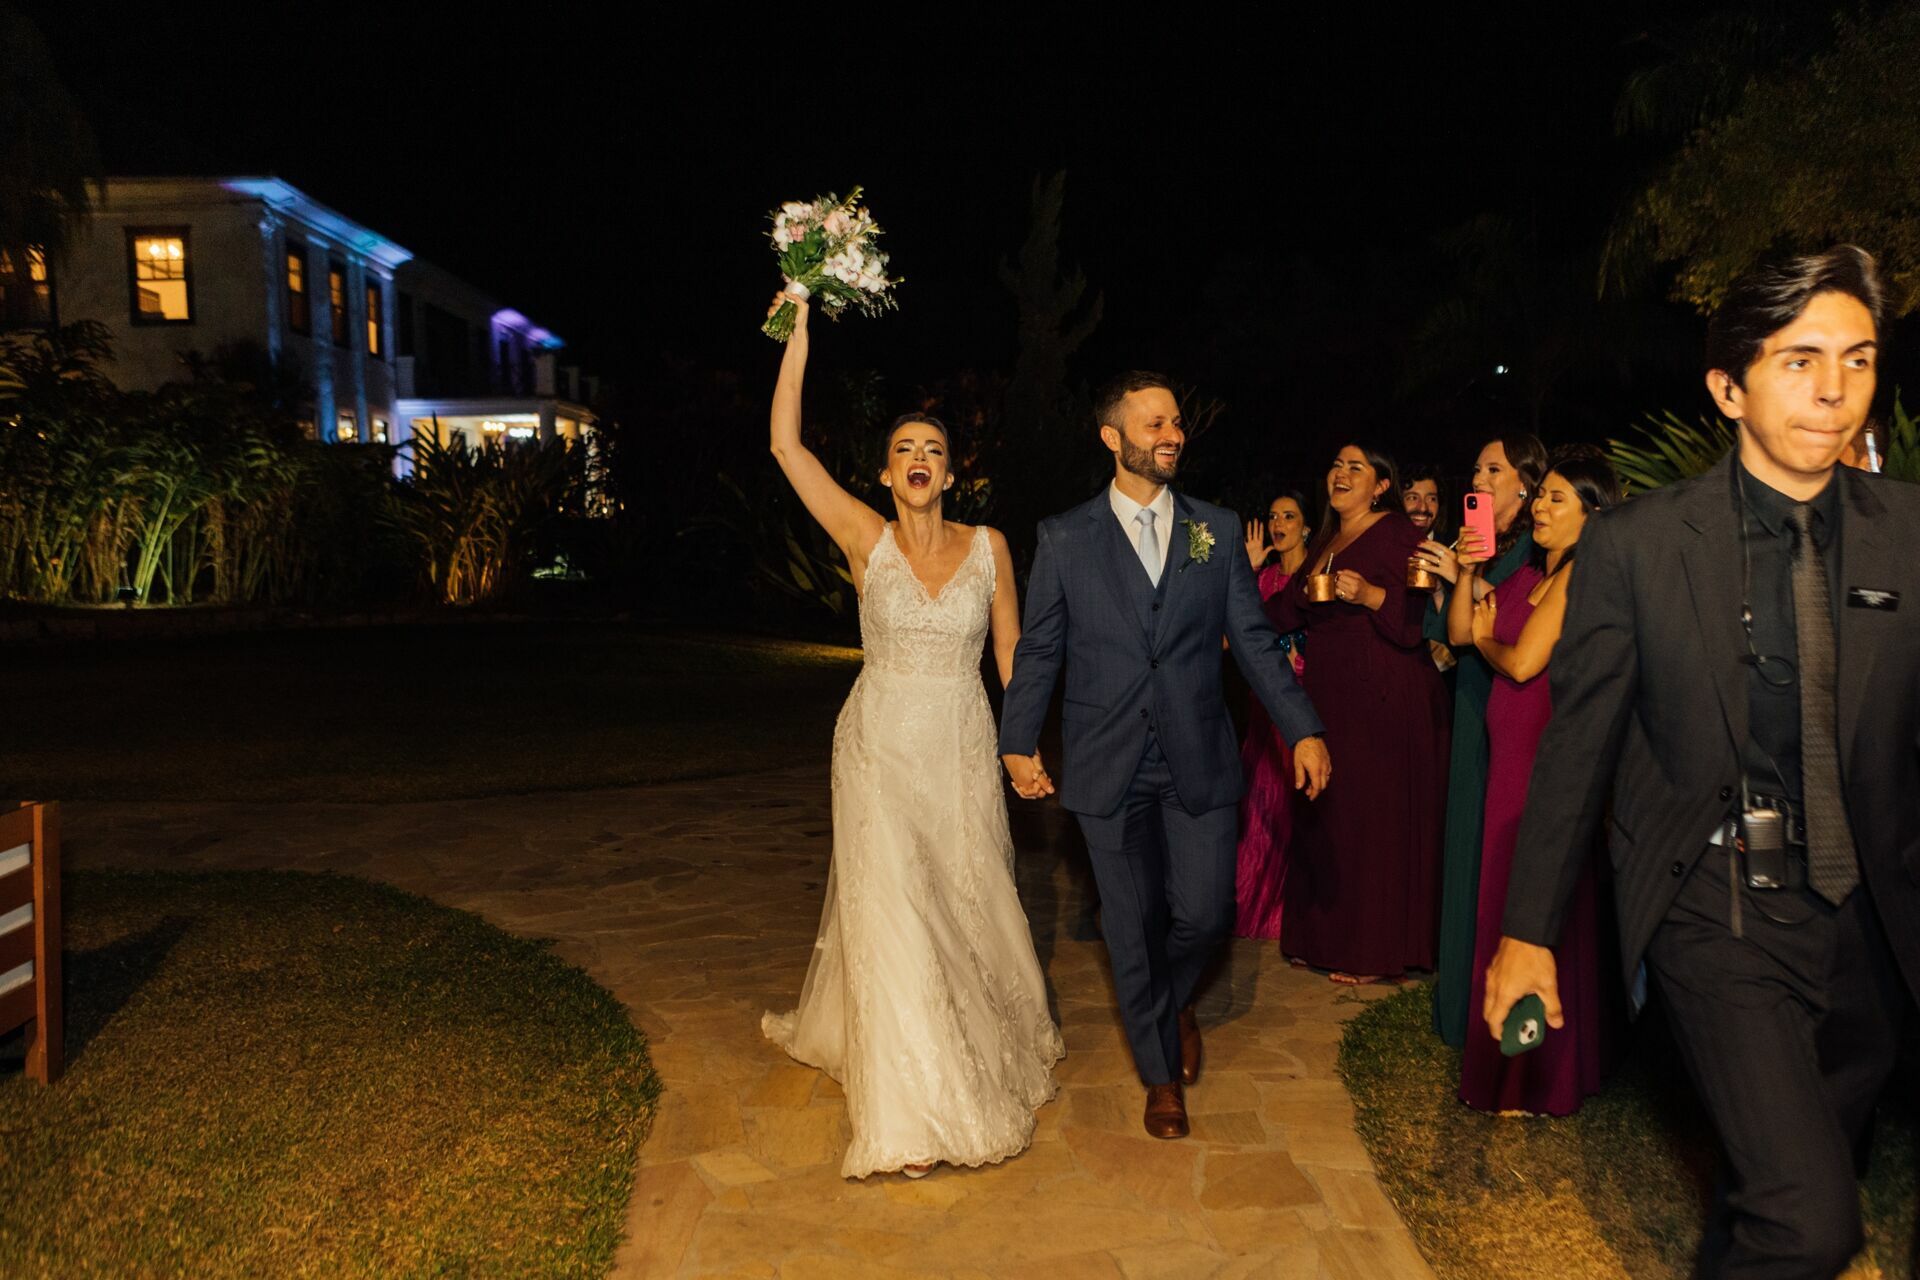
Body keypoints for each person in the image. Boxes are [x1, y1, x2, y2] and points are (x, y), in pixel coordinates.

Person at [1486, 246, 1920, 1276]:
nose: (1835, 390)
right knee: (1814, 1220)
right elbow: (1577, 748)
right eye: (1799, 359)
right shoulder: (1639, 547)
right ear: (1727, 386)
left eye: (1857, 360)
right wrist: (1526, 931)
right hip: (1718, 907)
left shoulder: (1911, 536)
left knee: (1769, 1187)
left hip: (1873, 926)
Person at [758, 292, 1063, 1180]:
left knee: (961, 899)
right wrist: (799, 337)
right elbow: (785, 447)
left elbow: (1010, 655)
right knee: (894, 908)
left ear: (952, 472)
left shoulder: (991, 546)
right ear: (886, 476)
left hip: (963, 743)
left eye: (933, 450)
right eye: (905, 452)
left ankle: (979, 1039)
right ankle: (907, 1112)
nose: (920, 460)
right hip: (879, 745)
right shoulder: (865, 537)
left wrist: (1025, 744)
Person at [999, 372, 1331, 1141]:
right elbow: (1041, 646)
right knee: (1128, 925)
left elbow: (1251, 640)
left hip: (1198, 757)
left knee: (1206, 910)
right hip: (1105, 761)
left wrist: (1302, 726)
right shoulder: (1065, 536)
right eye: (1153, 424)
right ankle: (1160, 1079)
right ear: (1112, 438)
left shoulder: (1213, 531)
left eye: (1176, 421)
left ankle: (1170, 1000)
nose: (1171, 434)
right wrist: (1018, 740)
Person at [1454, 451, 1620, 1115]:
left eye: (1556, 499)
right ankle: (1503, 1062)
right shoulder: (1526, 572)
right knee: (1500, 902)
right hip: (1508, 761)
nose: (1541, 510)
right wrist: (1469, 571)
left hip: (1543, 762)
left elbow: (1520, 664)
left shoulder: (1584, 577)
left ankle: (1534, 1076)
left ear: (1592, 512)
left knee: (1533, 902)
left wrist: (1493, 638)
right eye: (1542, 497)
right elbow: (1465, 630)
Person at [1268, 443, 1449, 983]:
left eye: (1356, 467)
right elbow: (1289, 607)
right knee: (1328, 813)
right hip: (1331, 700)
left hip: (1386, 700)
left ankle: (1372, 952)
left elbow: (1417, 626)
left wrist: (1371, 595)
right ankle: (1321, 938)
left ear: (1379, 486)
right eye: (1336, 465)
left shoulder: (1397, 534)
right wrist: (1231, 624)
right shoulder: (1326, 539)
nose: (1340, 474)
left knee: (1371, 822)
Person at [1412, 434, 1550, 1047]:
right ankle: (1461, 1003)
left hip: (1512, 708)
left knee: (1494, 853)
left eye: (1494, 468)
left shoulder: (1535, 550)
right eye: (1476, 468)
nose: (1480, 478)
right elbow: (1447, 632)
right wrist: (1455, 577)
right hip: (1471, 700)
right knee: (1464, 845)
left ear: (1526, 484)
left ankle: (1495, 1007)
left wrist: (1467, 582)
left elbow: (1507, 627)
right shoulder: (1482, 548)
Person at [1233, 491, 1312, 940]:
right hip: (1263, 713)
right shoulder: (1261, 581)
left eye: (1290, 516)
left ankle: (1293, 915)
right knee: (1260, 812)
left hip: (1303, 705)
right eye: (1274, 515)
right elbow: (1235, 634)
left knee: (1294, 811)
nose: (1279, 523)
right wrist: (1247, 568)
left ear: (1306, 526)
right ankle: (1256, 910)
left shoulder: (1315, 577)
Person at [1401, 462, 1448, 539]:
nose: (1423, 508)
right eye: (1413, 498)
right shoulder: (1381, 545)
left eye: (1431, 499)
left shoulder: (1454, 548)